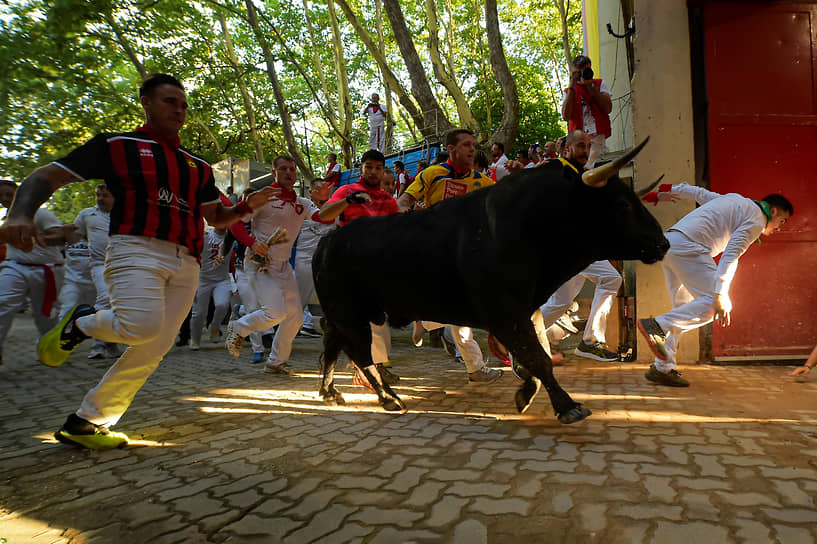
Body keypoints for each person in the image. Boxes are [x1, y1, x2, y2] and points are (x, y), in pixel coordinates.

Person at [0, 74, 276, 449]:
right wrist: (19, 214)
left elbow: (214, 218)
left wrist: (246, 207)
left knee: (153, 348)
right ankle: (81, 323)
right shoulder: (117, 145)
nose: (179, 110)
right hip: (135, 248)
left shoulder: (198, 166)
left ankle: (87, 421)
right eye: (169, 101)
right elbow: (44, 177)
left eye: (183, 104)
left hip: (188, 261)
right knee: (140, 326)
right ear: (145, 101)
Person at [638, 183, 793, 387]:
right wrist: (720, 294)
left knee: (683, 310)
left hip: (668, 243)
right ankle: (657, 325)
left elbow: (697, 193)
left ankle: (662, 368)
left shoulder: (734, 199)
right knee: (712, 307)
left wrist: (661, 193)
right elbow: (731, 255)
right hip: (690, 248)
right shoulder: (756, 220)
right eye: (781, 221)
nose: (780, 227)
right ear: (773, 211)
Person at [397, 129, 504, 384]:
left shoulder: (482, 181)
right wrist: (407, 219)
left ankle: (429, 324)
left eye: (473, 145)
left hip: (468, 252)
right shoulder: (431, 174)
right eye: (466, 144)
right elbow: (404, 200)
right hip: (439, 250)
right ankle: (473, 363)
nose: (472, 149)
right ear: (451, 148)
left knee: (463, 310)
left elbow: (507, 202)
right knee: (465, 307)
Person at [224, 156, 328, 375]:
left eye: (292, 169)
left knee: (296, 317)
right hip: (259, 265)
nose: (289, 173)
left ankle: (275, 362)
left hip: (283, 267)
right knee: (276, 313)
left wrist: (343, 201)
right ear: (274, 172)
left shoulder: (302, 203)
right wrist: (253, 242)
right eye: (283, 169)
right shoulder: (261, 198)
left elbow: (323, 218)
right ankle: (239, 327)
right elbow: (234, 223)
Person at [534, 129, 622, 363]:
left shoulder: (583, 175)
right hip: (570, 246)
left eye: (588, 146)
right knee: (612, 279)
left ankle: (523, 337)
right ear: (567, 149)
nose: (585, 150)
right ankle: (591, 341)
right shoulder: (555, 171)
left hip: (571, 247)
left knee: (561, 302)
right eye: (580, 146)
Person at [319, 149, 399, 384]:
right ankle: (367, 369)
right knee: (362, 320)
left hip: (376, 267)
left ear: (383, 170)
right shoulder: (346, 191)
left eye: (378, 168)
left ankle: (367, 367)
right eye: (369, 167)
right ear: (361, 168)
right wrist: (347, 202)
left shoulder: (388, 200)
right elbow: (324, 214)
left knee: (379, 321)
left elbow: (395, 232)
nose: (373, 172)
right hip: (346, 266)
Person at [0, 180, 78, 367]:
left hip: (47, 269)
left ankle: (48, 350)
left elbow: (60, 237)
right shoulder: (6, 219)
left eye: (9, 195)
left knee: (46, 317)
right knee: (2, 303)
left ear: (19, 195)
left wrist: (37, 237)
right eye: (1, 196)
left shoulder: (41, 214)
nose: (4, 199)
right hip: (15, 266)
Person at [61, 184, 120, 360]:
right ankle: (96, 344)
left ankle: (111, 342)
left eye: (105, 195)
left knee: (118, 304)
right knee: (104, 299)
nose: (100, 198)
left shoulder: (125, 213)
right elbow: (74, 236)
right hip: (99, 264)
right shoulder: (87, 214)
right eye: (98, 195)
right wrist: (63, 233)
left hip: (123, 265)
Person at [294, 178, 334, 339]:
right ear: (311, 191)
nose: (322, 192)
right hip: (303, 262)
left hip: (326, 264)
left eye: (325, 188)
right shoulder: (300, 206)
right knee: (298, 304)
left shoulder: (335, 208)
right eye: (318, 189)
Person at [561, 55, 612, 168]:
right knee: (580, 168)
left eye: (586, 70)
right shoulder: (569, 91)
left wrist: (591, 87)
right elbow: (565, 116)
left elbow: (607, 108)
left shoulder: (599, 84)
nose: (583, 74)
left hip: (597, 137)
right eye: (580, 72)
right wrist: (572, 87)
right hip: (578, 138)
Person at [189, 225, 231, 350]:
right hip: (203, 279)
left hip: (222, 279)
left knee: (222, 305)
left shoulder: (231, 237)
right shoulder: (206, 235)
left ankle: (215, 327)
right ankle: (195, 340)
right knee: (198, 313)